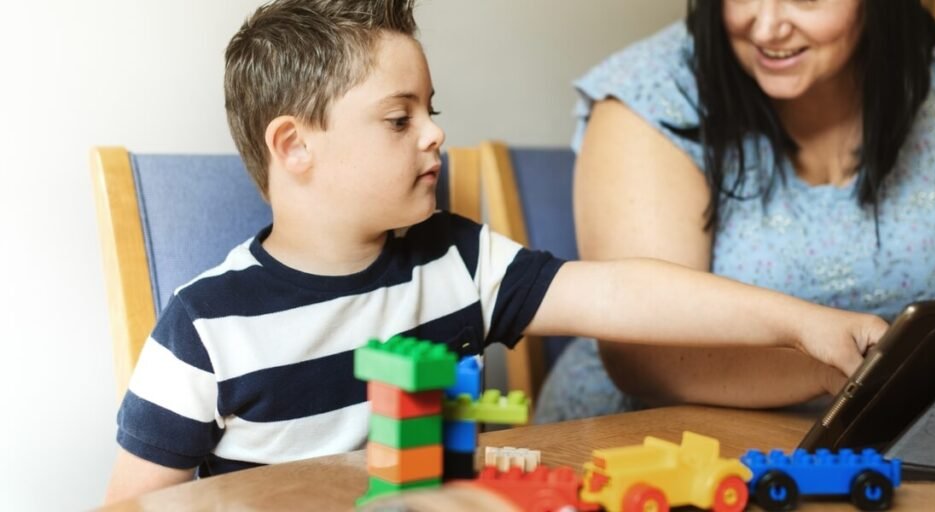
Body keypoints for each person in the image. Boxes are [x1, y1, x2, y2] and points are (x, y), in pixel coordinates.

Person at [103, 0, 889, 503]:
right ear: (294, 146)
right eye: (398, 117)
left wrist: (801, 324)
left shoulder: (457, 261)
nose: (435, 132)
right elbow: (132, 504)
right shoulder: (204, 327)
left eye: (430, 110)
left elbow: (620, 294)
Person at [534, 0, 935, 423]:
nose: (766, 28)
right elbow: (650, 356)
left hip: (910, 427)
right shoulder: (650, 92)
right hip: (659, 433)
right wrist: (846, 371)